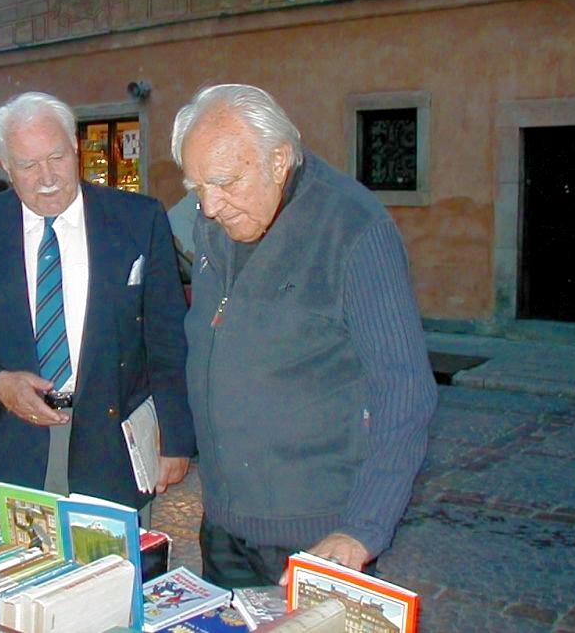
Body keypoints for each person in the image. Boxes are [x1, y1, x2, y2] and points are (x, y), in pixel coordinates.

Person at [169, 84, 438, 588]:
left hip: (317, 539)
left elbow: (404, 391)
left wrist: (362, 529)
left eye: (224, 183)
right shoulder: (217, 224)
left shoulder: (353, 228)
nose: (209, 207)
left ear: (278, 160)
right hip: (224, 528)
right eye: (197, 187)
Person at [0, 91, 195, 513]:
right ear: (6, 165)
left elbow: (168, 337)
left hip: (114, 447)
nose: (47, 177)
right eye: (28, 165)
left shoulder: (138, 219)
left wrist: (176, 438)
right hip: (15, 443)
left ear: (75, 146)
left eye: (56, 158)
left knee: (109, 555)